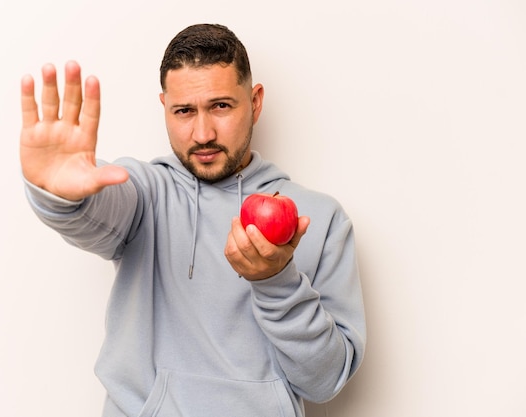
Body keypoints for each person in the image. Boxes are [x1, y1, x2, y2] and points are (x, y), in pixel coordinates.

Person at [20, 23, 366, 417]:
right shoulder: (145, 194)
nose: (202, 133)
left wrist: (277, 282)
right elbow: (93, 211)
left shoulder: (319, 220)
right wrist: (61, 194)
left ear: (254, 102)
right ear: (164, 107)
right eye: (184, 111)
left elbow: (325, 380)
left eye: (220, 106)